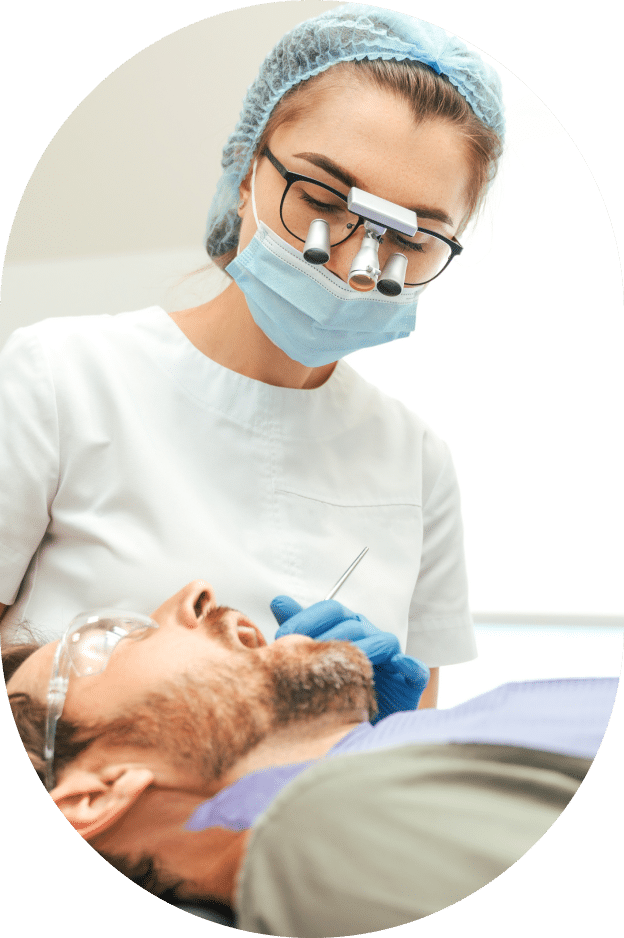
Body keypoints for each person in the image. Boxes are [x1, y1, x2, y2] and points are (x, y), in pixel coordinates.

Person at [0, 5, 506, 706]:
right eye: (325, 196)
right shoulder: (61, 377)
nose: (357, 264)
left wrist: (383, 728)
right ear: (245, 174)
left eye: (412, 238)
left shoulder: (416, 461)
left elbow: (414, 749)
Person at [3, 579, 618, 934]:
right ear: (93, 794)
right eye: (105, 638)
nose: (193, 593)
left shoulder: (385, 784)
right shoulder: (319, 833)